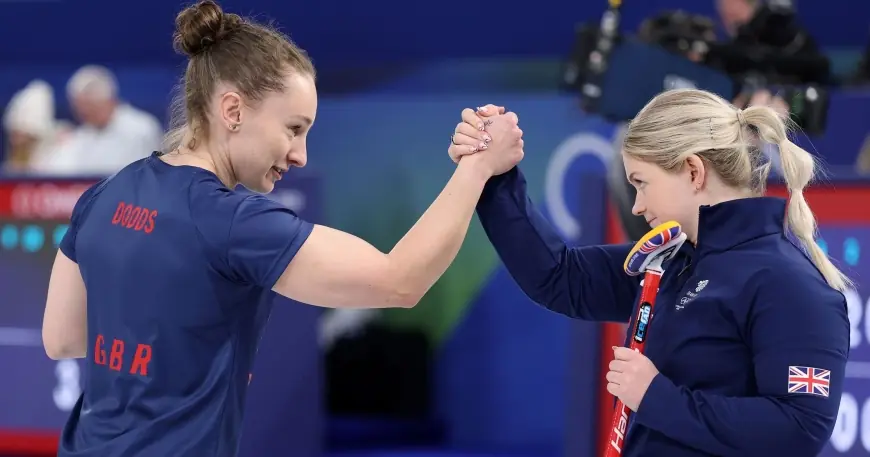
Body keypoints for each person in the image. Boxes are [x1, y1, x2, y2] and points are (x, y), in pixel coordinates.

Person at [41, 1, 523, 456]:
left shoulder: (103, 196)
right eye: (294, 129)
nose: (301, 154)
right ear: (232, 111)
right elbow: (401, 280)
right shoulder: (233, 222)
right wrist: (477, 168)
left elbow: (61, 339)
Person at [448, 89, 849, 457]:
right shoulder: (673, 262)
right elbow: (560, 277)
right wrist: (492, 173)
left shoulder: (788, 284)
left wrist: (654, 395)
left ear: (693, 171)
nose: (636, 206)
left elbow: (799, 429)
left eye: (641, 183)